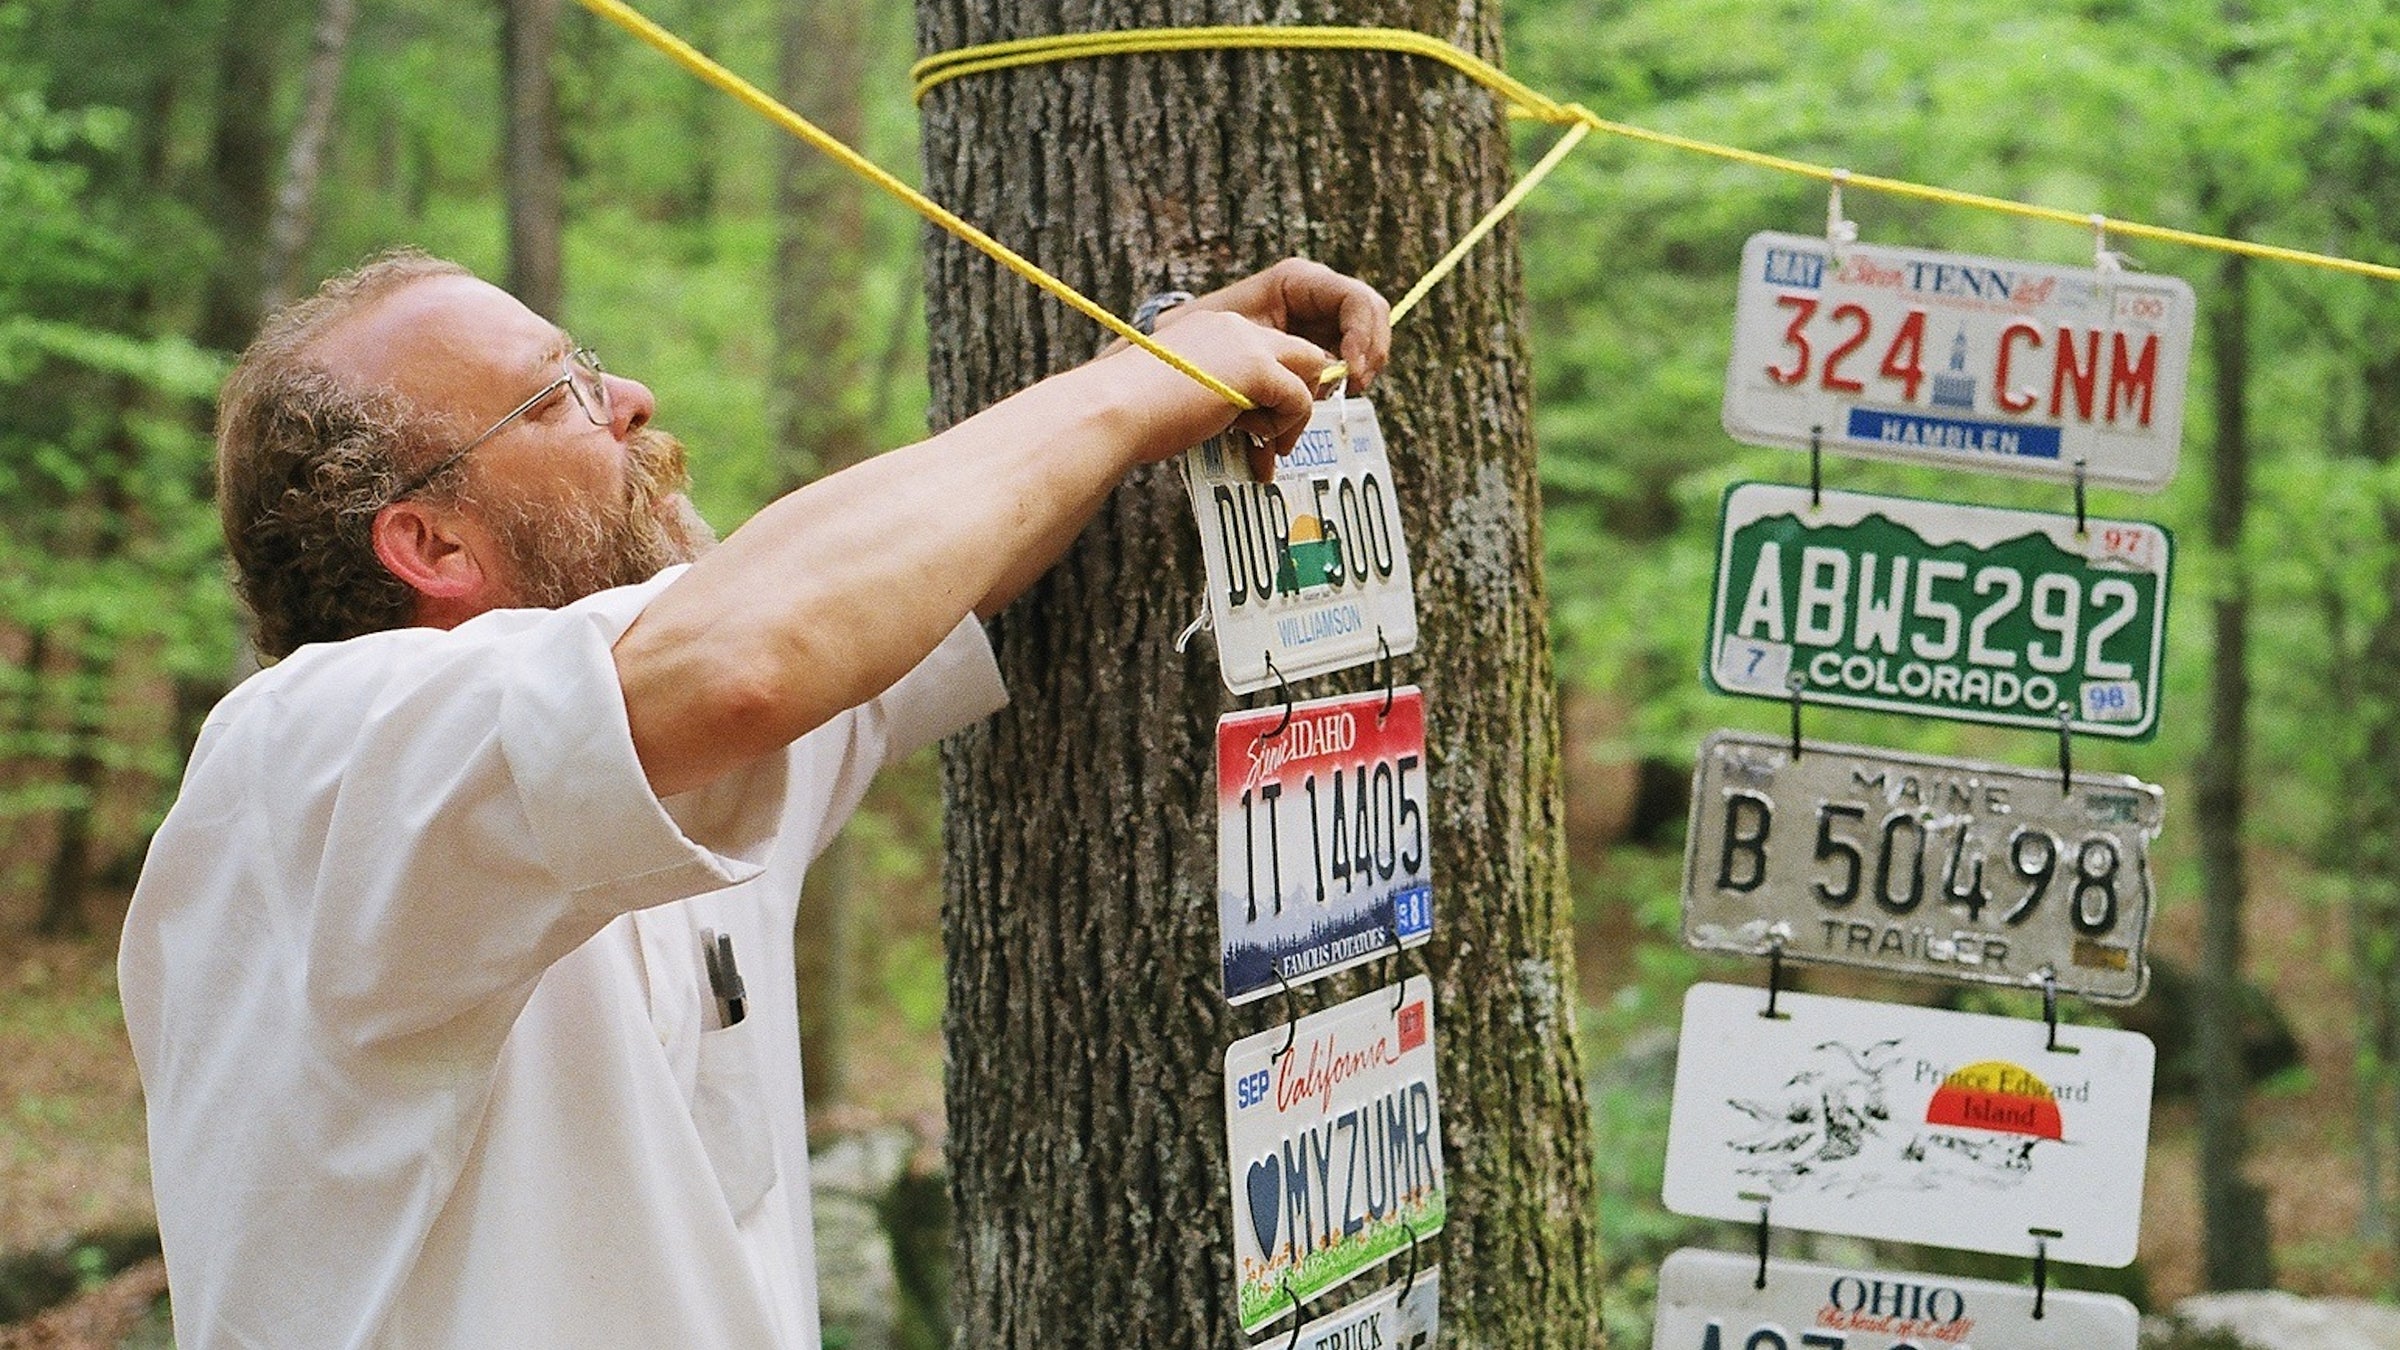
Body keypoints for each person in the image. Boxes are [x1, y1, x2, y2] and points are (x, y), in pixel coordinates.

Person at [117, 250, 1392, 1348]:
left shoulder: (642, 761)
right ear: (434, 547)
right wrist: (1132, 391)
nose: (631, 400)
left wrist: (1173, 359)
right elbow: (747, 656)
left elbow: (922, 583)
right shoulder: (309, 763)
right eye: (560, 395)